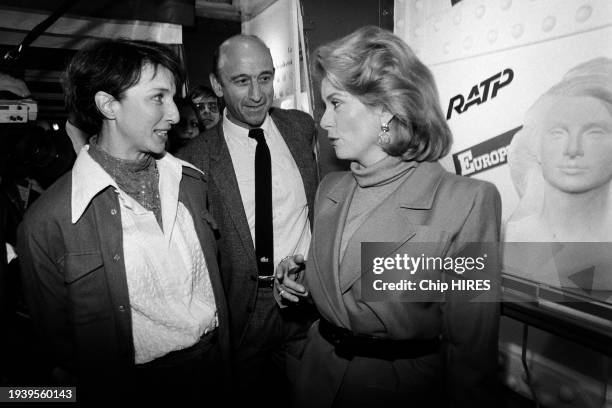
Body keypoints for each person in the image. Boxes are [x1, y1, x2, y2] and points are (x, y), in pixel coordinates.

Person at [275, 26, 501, 407]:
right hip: (314, 380)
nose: (324, 121)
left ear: (386, 108)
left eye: (336, 103)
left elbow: (471, 350)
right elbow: (346, 288)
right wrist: (302, 283)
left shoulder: (466, 203)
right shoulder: (331, 188)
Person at [17, 38, 230, 403]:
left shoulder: (192, 183)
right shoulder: (47, 222)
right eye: (158, 98)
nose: (176, 115)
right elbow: (57, 348)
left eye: (173, 98)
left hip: (216, 374)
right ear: (108, 105)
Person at [176, 34, 318, 406]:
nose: (257, 94)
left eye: (265, 78)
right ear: (219, 85)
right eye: (242, 81)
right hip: (244, 313)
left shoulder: (301, 129)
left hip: (306, 303)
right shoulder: (195, 158)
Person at [504, 57, 612, 297]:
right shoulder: (509, 237)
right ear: (537, 144)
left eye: (594, 132)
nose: (573, 148)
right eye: (558, 132)